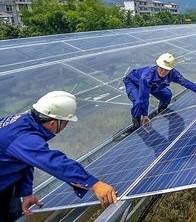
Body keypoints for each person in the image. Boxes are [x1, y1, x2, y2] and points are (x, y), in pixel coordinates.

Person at [0, 91, 117, 220]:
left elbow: (24, 161)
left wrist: (26, 193)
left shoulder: (24, 123)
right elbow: (55, 163)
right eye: (66, 122)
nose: (66, 126)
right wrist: (93, 184)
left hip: (6, 185)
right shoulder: (23, 137)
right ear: (53, 123)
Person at [123, 53, 196, 131]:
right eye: (161, 68)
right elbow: (144, 96)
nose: (163, 72)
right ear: (157, 65)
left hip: (152, 84)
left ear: (171, 69)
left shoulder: (173, 74)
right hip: (134, 82)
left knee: (167, 94)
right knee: (139, 102)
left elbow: (186, 82)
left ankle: (162, 110)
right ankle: (136, 125)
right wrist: (145, 115)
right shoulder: (147, 76)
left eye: (166, 70)